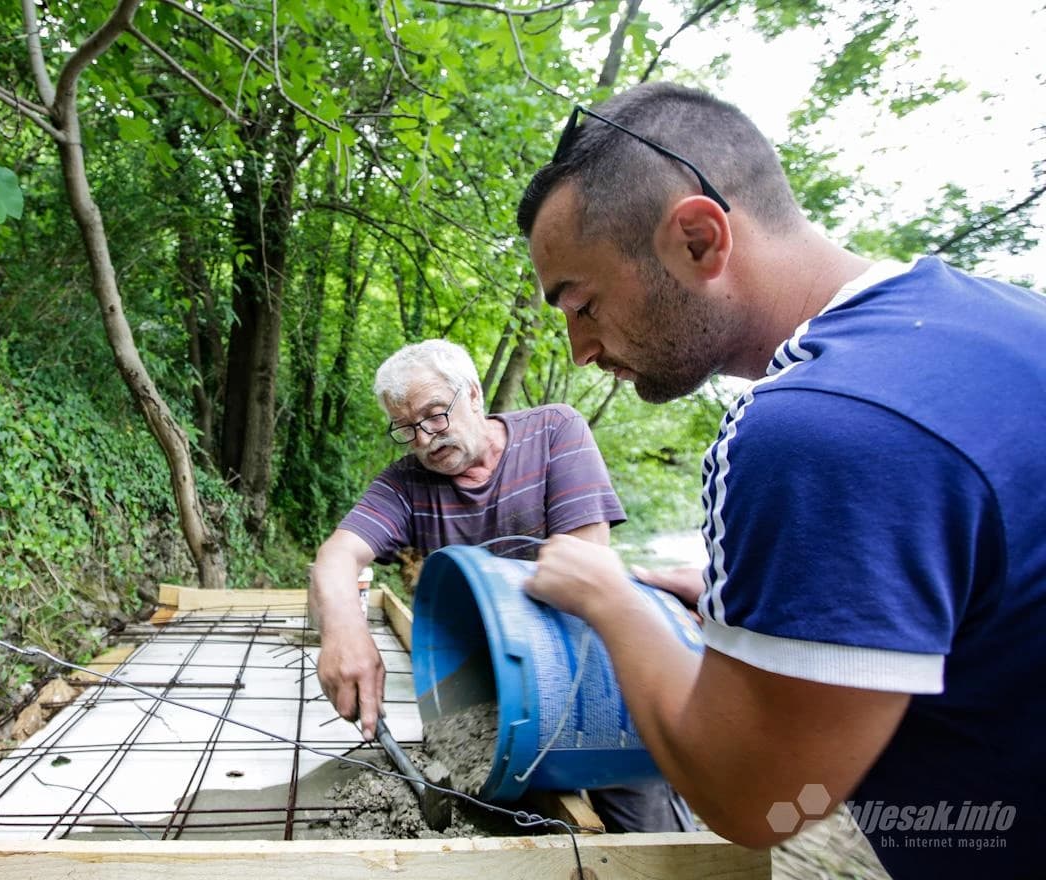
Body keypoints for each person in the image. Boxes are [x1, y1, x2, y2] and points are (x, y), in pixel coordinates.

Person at [515, 81, 1046, 877]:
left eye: (582, 304)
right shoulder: (1005, 318)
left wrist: (609, 597)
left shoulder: (809, 424)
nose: (580, 348)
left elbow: (755, 801)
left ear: (698, 239)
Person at [310, 338, 694, 833]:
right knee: (525, 831)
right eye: (406, 429)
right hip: (492, 701)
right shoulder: (406, 484)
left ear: (472, 394)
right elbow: (337, 555)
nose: (425, 439)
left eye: (434, 415)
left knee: (646, 836)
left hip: (593, 680)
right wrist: (343, 631)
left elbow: (588, 567)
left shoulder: (554, 431)